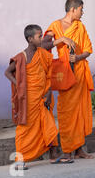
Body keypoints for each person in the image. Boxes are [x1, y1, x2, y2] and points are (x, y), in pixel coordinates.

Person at [42, 0, 94, 162]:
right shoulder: (55, 26)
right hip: (64, 74)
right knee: (66, 113)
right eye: (81, 9)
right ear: (73, 9)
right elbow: (44, 45)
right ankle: (67, 151)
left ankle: (79, 149)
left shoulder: (80, 27)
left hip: (79, 72)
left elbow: (88, 50)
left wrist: (78, 58)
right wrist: (62, 39)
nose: (82, 13)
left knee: (79, 112)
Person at [4, 24, 59, 169]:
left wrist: (48, 93)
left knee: (49, 125)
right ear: (30, 39)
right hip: (28, 99)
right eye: (39, 36)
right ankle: (20, 160)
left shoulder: (44, 54)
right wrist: (19, 85)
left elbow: (48, 76)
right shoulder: (22, 57)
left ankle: (53, 155)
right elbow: (8, 72)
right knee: (24, 129)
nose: (42, 38)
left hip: (43, 96)